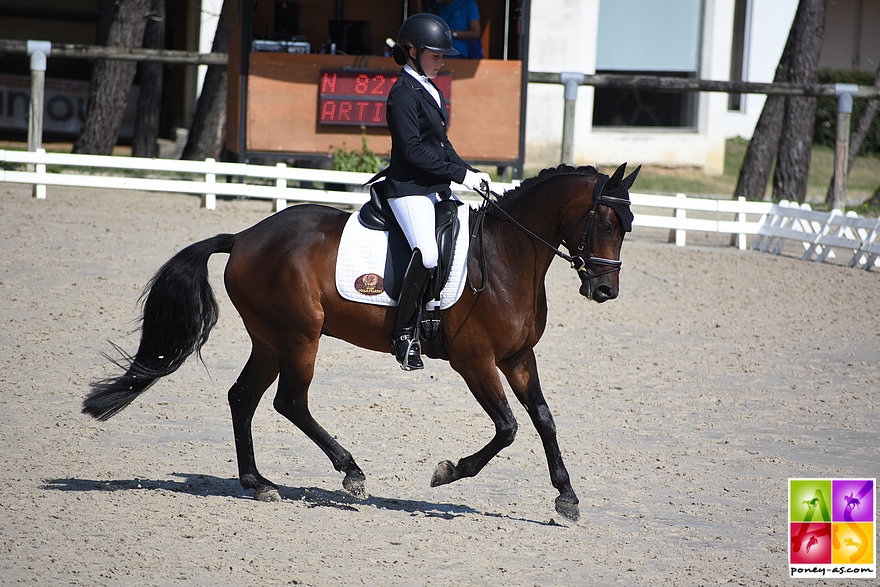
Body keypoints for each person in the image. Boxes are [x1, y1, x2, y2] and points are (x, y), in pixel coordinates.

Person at [382, 13, 491, 370]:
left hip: (434, 188)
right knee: (428, 254)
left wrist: (470, 172)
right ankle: (403, 335)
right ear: (413, 52)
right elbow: (413, 150)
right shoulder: (402, 94)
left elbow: (442, 145)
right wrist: (459, 174)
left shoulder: (429, 87)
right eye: (436, 54)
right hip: (409, 189)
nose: (442, 60)